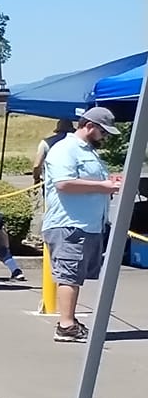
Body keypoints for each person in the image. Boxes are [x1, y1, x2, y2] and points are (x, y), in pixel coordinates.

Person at [42, 105, 125, 343]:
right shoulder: (65, 149)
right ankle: (66, 325)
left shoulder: (87, 151)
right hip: (69, 224)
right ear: (89, 126)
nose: (105, 137)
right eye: (103, 132)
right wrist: (103, 186)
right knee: (69, 275)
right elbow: (63, 183)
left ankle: (69, 322)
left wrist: (107, 184)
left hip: (86, 224)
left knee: (75, 275)